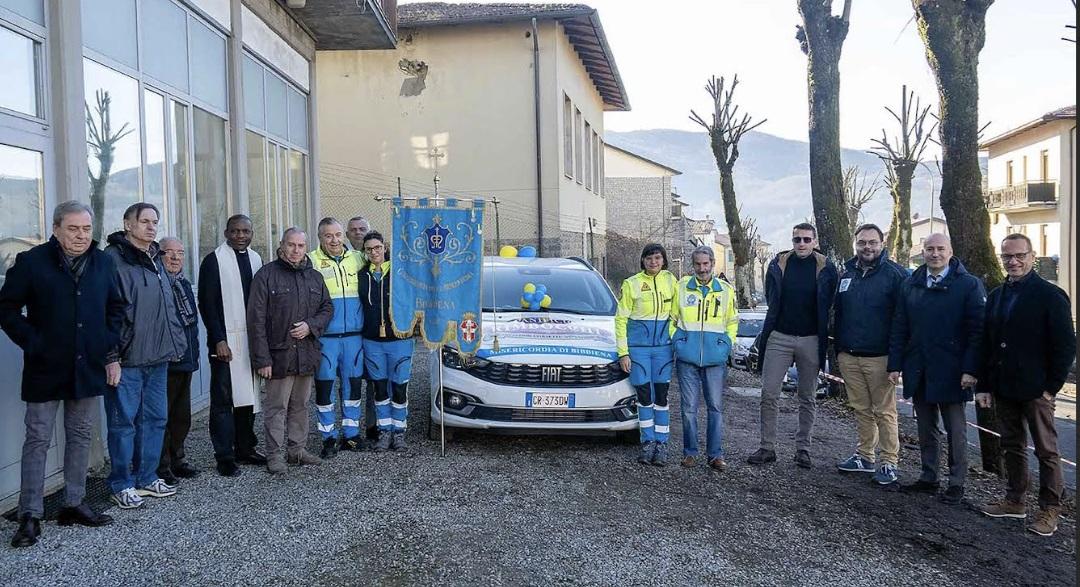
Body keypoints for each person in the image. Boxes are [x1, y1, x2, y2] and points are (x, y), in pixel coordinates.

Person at [0, 201, 123, 547]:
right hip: (45, 366)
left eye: (86, 229)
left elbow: (117, 309)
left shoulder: (102, 262)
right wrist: (33, 341)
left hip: (87, 367)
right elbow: (6, 308)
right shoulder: (32, 262)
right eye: (73, 228)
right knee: (38, 438)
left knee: (81, 435)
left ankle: (74, 502)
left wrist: (106, 345)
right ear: (56, 229)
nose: (81, 235)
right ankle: (29, 514)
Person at [977, 234, 1076, 536]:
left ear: (1033, 256)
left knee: (1046, 451)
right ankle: (1015, 500)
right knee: (1011, 445)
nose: (1013, 261)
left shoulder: (1050, 295)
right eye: (1007, 256)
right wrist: (983, 385)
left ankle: (1049, 509)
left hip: (1037, 389)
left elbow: (1065, 346)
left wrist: (1051, 387)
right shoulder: (995, 296)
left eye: (1020, 255)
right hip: (1004, 386)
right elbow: (987, 344)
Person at [888, 233, 985, 505]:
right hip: (919, 368)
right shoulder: (911, 284)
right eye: (930, 249)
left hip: (954, 371)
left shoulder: (968, 285)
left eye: (940, 249)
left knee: (956, 430)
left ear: (950, 252)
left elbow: (977, 332)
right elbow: (900, 327)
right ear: (923, 251)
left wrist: (970, 369)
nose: (935, 254)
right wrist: (895, 364)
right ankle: (929, 477)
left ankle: (956, 484)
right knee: (925, 427)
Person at [103, 203, 189, 508]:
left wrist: (175, 345)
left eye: (155, 222)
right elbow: (106, 312)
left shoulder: (156, 257)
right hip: (128, 359)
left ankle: (147, 477)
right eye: (145, 221)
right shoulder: (112, 259)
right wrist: (111, 356)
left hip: (159, 357)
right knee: (123, 423)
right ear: (128, 224)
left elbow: (167, 308)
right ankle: (121, 483)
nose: (152, 227)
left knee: (156, 419)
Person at [749, 223, 838, 469]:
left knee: (807, 396)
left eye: (806, 239)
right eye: (797, 239)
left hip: (811, 338)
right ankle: (767, 447)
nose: (801, 244)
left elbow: (830, 303)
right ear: (792, 240)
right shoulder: (778, 264)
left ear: (815, 241)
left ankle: (803, 449)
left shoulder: (827, 268)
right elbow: (771, 296)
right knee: (769, 393)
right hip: (780, 335)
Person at [248, 227, 333, 473]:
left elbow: (326, 309)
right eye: (291, 245)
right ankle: (274, 456)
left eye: (301, 246)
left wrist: (310, 326)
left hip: (306, 353)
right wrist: (262, 359)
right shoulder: (266, 275)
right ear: (282, 245)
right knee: (276, 408)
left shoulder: (314, 277)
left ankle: (297, 450)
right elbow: (256, 320)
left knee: (300, 405)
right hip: (278, 356)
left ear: (306, 248)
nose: (296, 250)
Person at [832, 224, 907, 485]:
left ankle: (889, 462)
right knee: (861, 409)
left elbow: (903, 320)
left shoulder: (896, 275)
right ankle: (865, 456)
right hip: (849, 356)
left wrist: (897, 360)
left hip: (881, 357)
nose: (867, 247)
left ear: (882, 243)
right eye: (862, 242)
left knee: (884, 411)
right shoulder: (846, 273)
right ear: (856, 244)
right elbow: (839, 313)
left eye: (872, 243)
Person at [198, 215, 265, 476]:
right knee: (224, 399)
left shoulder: (256, 258)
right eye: (235, 231)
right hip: (227, 340)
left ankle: (246, 448)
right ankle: (225, 456)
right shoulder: (214, 260)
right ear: (226, 232)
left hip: (251, 338)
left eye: (245, 231)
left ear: (251, 233)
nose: (240, 235)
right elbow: (207, 302)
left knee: (249, 397)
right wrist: (218, 339)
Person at [671, 246, 739, 470]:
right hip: (687, 359)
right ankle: (689, 453)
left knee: (715, 408)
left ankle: (715, 455)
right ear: (693, 265)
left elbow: (732, 322)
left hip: (715, 359)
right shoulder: (681, 288)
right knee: (688, 408)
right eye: (698, 264)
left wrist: (725, 346)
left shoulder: (726, 290)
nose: (702, 268)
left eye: (706, 264)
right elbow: (672, 320)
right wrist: (679, 343)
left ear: (712, 264)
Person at [615, 244, 678, 466]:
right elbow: (621, 320)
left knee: (661, 396)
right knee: (644, 396)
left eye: (658, 258)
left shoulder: (671, 281)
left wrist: (676, 342)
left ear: (664, 260)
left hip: (663, 350)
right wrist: (623, 353)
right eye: (649, 258)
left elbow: (676, 315)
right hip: (638, 350)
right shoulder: (631, 284)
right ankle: (647, 442)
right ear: (643, 260)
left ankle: (662, 444)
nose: (654, 262)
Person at [309, 218, 365, 457]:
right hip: (326, 338)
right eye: (328, 236)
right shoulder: (310, 260)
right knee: (324, 389)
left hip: (354, 337)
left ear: (344, 236)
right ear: (320, 238)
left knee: (352, 388)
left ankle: (351, 435)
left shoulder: (358, 258)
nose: (334, 240)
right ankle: (328, 437)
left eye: (338, 235)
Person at [357, 231, 416, 452]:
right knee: (379, 389)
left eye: (378, 248)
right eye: (369, 249)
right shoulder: (362, 275)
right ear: (365, 252)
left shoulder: (400, 274)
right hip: (372, 340)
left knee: (399, 388)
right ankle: (384, 431)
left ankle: (399, 432)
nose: (374, 252)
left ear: (385, 248)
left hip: (399, 339)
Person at [157, 237, 200, 485]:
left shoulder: (183, 284)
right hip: (167, 362)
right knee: (162, 416)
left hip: (186, 359)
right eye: (168, 253)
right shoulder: (158, 284)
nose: (174, 258)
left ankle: (178, 458)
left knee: (181, 416)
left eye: (180, 253)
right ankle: (162, 465)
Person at [346, 214, 378, 440]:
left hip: (375, 331)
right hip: (349, 333)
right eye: (353, 229)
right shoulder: (343, 259)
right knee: (350, 382)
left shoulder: (379, 262)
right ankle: (350, 429)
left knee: (376, 381)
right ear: (347, 235)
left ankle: (373, 426)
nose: (358, 232)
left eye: (362, 229)